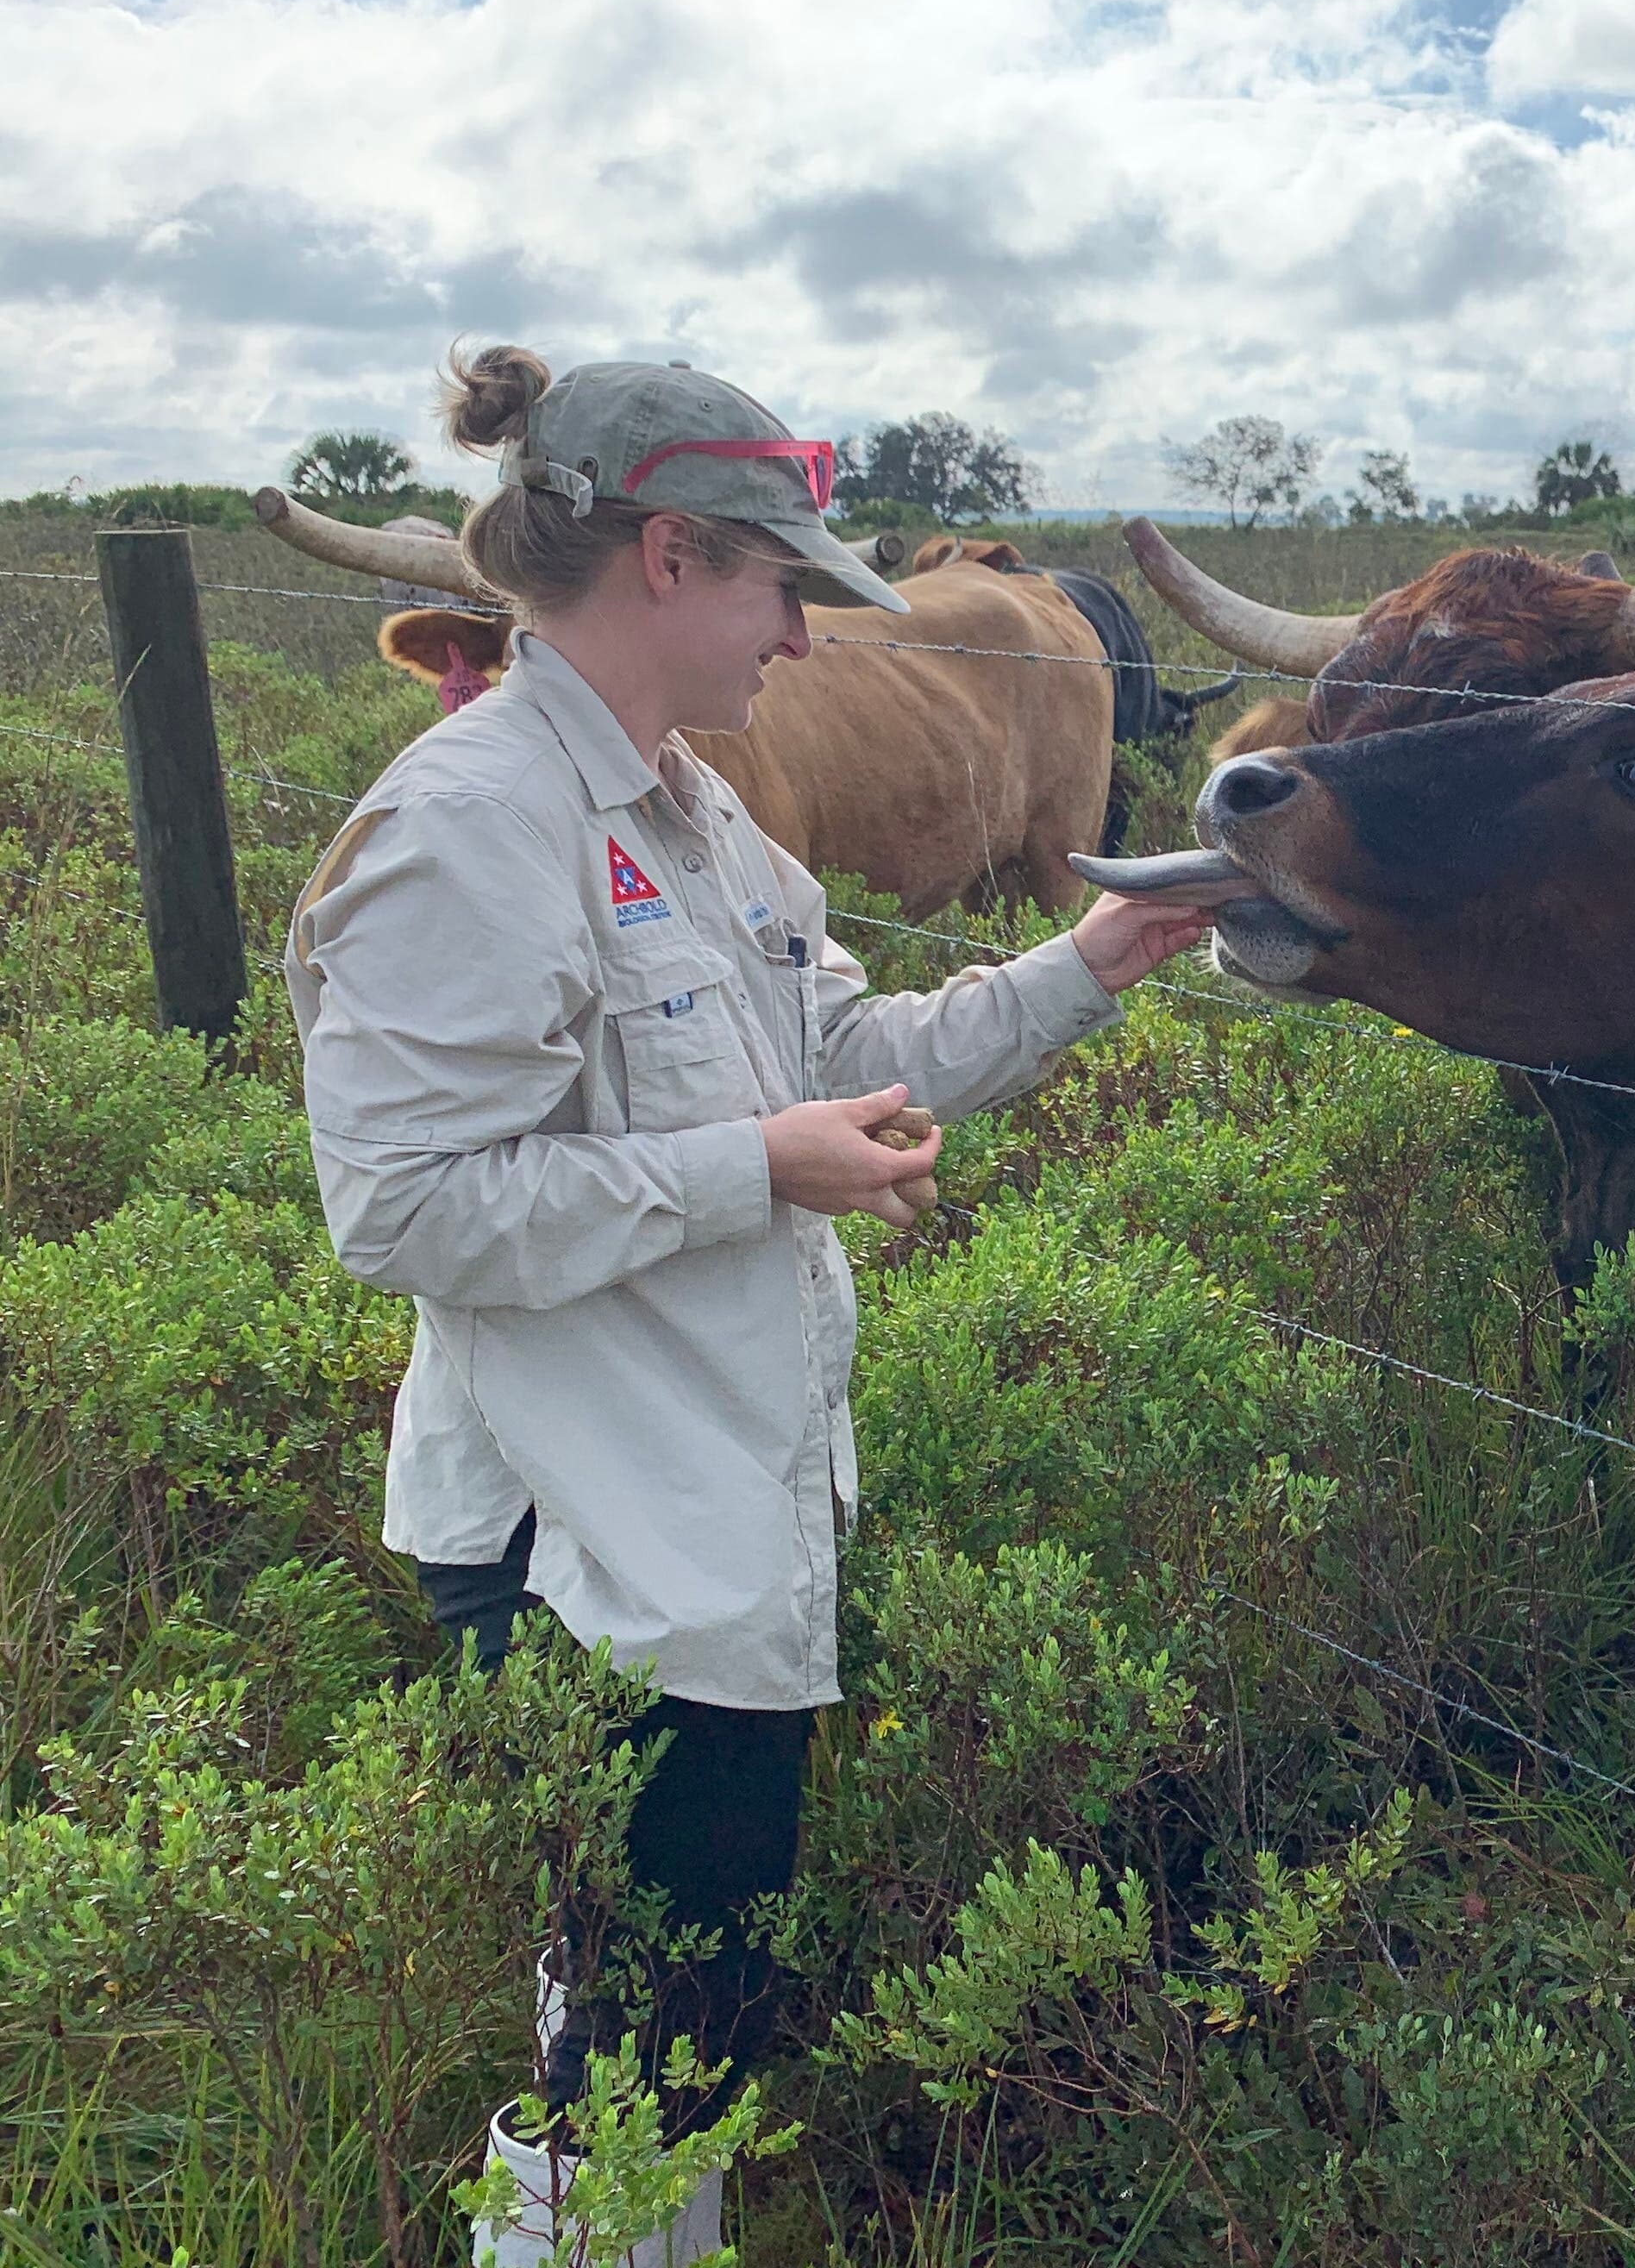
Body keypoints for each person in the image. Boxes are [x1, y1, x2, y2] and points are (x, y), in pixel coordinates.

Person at [284, 348, 1206, 2260]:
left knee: (658, 2023)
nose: (805, 634)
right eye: (786, 584)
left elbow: (852, 1043)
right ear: (674, 560)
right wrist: (752, 1170)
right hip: (584, 1546)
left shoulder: (699, 821)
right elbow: (401, 1212)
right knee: (645, 2050)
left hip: (701, 1518)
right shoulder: (471, 826)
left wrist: (1096, 957)